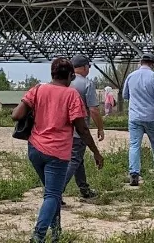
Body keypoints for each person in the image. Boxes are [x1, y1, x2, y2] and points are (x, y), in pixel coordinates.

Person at [12, 58, 103, 243]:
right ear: (69, 75)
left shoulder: (38, 89)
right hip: (57, 152)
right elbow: (82, 129)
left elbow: (16, 115)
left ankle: (56, 233)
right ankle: (38, 236)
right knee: (53, 195)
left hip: (35, 148)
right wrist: (95, 152)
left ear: (52, 74)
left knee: (52, 193)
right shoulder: (71, 95)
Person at [122, 53, 154, 187]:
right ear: (153, 64)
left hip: (134, 117)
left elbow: (125, 95)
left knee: (134, 145)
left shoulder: (131, 76)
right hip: (151, 117)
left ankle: (134, 173)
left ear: (140, 62)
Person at [64, 55, 104, 200]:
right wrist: (100, 128)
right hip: (79, 131)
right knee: (74, 160)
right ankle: (56, 192)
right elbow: (93, 110)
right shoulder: (87, 84)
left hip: (63, 130)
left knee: (78, 160)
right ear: (85, 67)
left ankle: (84, 188)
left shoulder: (64, 82)